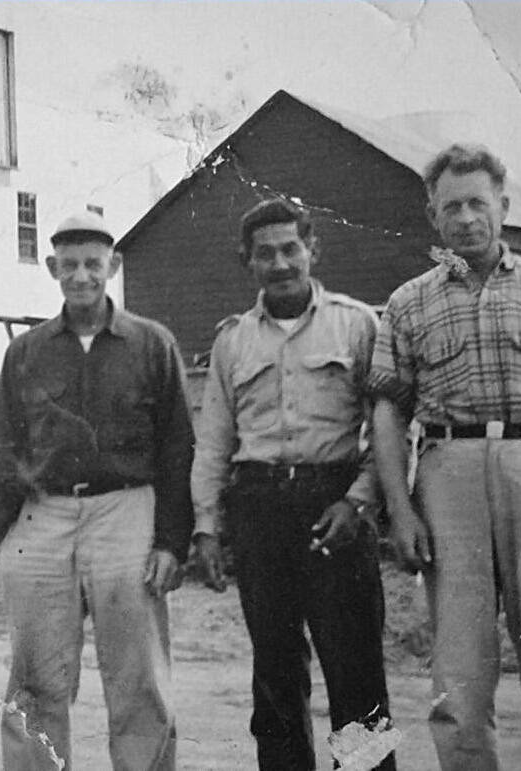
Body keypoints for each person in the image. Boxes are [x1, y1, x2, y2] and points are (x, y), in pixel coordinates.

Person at [368, 144, 521, 771]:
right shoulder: (408, 302)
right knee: (459, 666)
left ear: (503, 206)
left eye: (479, 202)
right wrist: (400, 509)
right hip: (449, 471)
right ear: (433, 216)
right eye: (452, 206)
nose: (467, 217)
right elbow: (389, 414)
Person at [0, 209, 194, 770]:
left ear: (114, 266)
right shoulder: (25, 351)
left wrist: (173, 541)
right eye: (70, 265)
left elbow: (178, 447)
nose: (82, 276)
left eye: (93, 264)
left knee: (137, 676)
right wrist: (9, 527)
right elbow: (0, 441)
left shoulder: (152, 344)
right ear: (52, 267)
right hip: (43, 514)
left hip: (126, 509)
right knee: (35, 676)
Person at [191, 198, 394, 770]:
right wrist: (207, 527)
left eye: (290, 249)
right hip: (259, 511)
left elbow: (389, 431)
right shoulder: (233, 341)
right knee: (275, 676)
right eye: (265, 254)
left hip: (336, 507)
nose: (279, 263)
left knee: (357, 675)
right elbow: (213, 441)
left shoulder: (358, 325)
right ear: (247, 261)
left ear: (313, 251)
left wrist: (359, 502)